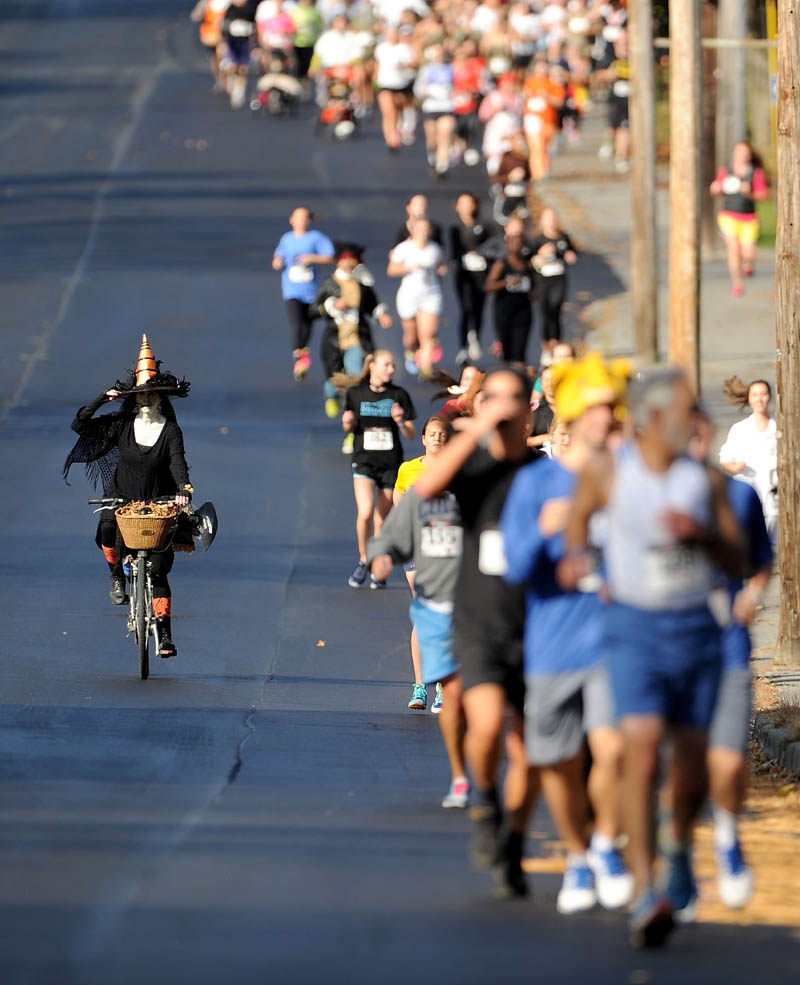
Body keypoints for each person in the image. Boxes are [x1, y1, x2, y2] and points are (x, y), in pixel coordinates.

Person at [560, 365, 744, 948]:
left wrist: (703, 537)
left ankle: (677, 847)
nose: (696, 420)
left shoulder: (704, 481)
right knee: (641, 756)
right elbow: (576, 523)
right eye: (687, 411)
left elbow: (738, 561)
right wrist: (579, 561)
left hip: (695, 629)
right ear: (655, 419)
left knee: (689, 766)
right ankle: (647, 891)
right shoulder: (609, 471)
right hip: (633, 629)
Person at [501, 354, 634, 916]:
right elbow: (512, 565)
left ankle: (604, 843)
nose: (609, 417)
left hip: (614, 642)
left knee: (614, 749)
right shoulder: (536, 483)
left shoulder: (627, 477)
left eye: (613, 409)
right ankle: (578, 857)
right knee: (556, 763)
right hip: (553, 643)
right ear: (575, 417)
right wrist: (544, 529)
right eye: (600, 409)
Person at [416, 367, 542, 899]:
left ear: (531, 409)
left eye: (517, 400)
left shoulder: (543, 471)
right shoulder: (475, 466)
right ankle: (486, 798)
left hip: (536, 624)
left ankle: (512, 838)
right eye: (497, 400)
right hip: (480, 620)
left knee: (530, 749)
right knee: (486, 726)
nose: (508, 410)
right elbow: (427, 485)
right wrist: (475, 424)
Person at [688, 409, 772, 913]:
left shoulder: (739, 495)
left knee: (729, 758)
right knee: (679, 764)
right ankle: (679, 860)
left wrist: (752, 594)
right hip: (667, 644)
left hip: (725, 643)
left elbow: (762, 562)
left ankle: (726, 837)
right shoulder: (648, 495)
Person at [63, 336, 194, 658]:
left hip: (159, 501)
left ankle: (164, 636)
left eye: (151, 393)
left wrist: (183, 493)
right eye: (141, 394)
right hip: (121, 497)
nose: (146, 398)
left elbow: (178, 464)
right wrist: (104, 398)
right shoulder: (121, 424)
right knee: (107, 529)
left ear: (161, 397)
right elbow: (79, 425)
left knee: (159, 569)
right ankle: (115, 577)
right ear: (133, 398)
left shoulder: (171, 431)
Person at [342, 351, 416, 588]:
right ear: (372, 366)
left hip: (391, 463)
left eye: (393, 366)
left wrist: (401, 421)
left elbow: (413, 434)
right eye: (386, 365)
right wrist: (348, 423)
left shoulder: (399, 395)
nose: (391, 370)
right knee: (365, 512)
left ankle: (377, 565)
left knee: (381, 519)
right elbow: (348, 426)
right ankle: (364, 559)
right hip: (364, 459)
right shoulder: (355, 393)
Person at [393, 416, 450, 712]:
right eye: (432, 434)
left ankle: (441, 686)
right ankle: (420, 686)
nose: (438, 438)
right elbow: (398, 494)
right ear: (424, 439)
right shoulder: (408, 469)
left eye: (442, 434)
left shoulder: (457, 470)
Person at [312, 242, 393, 420]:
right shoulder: (330, 283)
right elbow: (313, 310)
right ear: (339, 262)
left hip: (357, 337)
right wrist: (331, 305)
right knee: (334, 377)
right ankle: (332, 395)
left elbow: (373, 304)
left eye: (352, 260)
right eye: (345, 260)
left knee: (356, 376)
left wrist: (381, 315)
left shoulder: (363, 283)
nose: (349, 264)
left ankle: (353, 416)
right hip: (335, 336)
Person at [272, 206, 335, 381]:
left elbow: (329, 257)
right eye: (298, 217)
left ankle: (303, 352)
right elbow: (278, 255)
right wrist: (277, 261)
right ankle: (299, 358)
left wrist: (312, 258)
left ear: (308, 220)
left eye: (304, 218)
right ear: (291, 220)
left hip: (311, 291)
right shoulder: (287, 239)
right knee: (296, 324)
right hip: (291, 290)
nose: (301, 221)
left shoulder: (316, 238)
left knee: (307, 325)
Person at [719, 377, 778, 542]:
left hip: (774, 499)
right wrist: (735, 467)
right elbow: (724, 460)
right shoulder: (740, 429)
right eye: (755, 395)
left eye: (764, 394)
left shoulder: (778, 429)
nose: (760, 399)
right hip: (749, 497)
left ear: (770, 397)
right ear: (749, 399)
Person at [388, 218, 448, 378]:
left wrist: (442, 269)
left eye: (426, 229)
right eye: (420, 229)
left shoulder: (435, 249)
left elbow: (440, 265)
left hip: (430, 293)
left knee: (428, 334)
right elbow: (392, 269)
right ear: (413, 231)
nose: (423, 232)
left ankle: (426, 369)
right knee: (411, 336)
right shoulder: (404, 248)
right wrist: (409, 267)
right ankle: (410, 350)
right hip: (409, 294)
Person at [710, 141, 768, 296]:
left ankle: (748, 264)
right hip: (728, 216)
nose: (741, 155)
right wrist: (715, 188)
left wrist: (749, 193)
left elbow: (763, 195)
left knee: (748, 254)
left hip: (749, 218)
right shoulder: (726, 170)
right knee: (733, 250)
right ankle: (737, 284)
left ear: (749, 155)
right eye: (738, 152)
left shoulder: (755, 172)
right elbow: (717, 188)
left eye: (744, 152)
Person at [448, 193, 491, 365]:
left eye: (469, 203)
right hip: (464, 275)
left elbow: (495, 244)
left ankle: (475, 336)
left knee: (479, 307)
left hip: (481, 273)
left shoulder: (484, 225)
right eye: (462, 204)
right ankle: (462, 348)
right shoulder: (454, 228)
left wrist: (481, 254)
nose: (466, 207)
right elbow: (454, 251)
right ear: (457, 207)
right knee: (466, 308)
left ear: (475, 206)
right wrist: (454, 262)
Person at [531, 207, 578, 360]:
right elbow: (529, 261)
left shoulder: (563, 238)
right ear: (542, 221)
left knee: (556, 310)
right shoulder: (537, 239)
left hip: (559, 278)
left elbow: (573, 253)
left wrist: (571, 255)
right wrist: (541, 254)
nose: (551, 221)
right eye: (547, 218)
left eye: (553, 218)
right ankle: (546, 347)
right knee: (545, 313)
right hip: (543, 280)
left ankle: (556, 345)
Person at [484, 225, 535, 366]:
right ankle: (507, 373)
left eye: (519, 243)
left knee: (520, 348)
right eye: (513, 243)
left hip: (523, 309)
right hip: (504, 309)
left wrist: (533, 293)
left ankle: (519, 377)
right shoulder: (501, 264)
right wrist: (506, 282)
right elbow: (488, 286)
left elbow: (535, 285)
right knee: (507, 347)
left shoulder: (527, 264)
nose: (516, 246)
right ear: (507, 245)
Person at [414, 44, 457, 178]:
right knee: (432, 140)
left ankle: (442, 165)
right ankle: (433, 154)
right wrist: (427, 92)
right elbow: (417, 89)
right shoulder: (426, 70)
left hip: (446, 107)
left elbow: (457, 86)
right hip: (431, 107)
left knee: (445, 137)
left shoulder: (451, 69)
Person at [374, 24, 417, 149]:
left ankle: (399, 130)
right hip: (385, 83)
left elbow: (412, 63)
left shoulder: (404, 48)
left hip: (401, 84)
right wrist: (375, 81)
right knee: (389, 112)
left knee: (397, 109)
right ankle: (391, 137)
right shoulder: (381, 48)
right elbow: (377, 65)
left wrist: (404, 66)